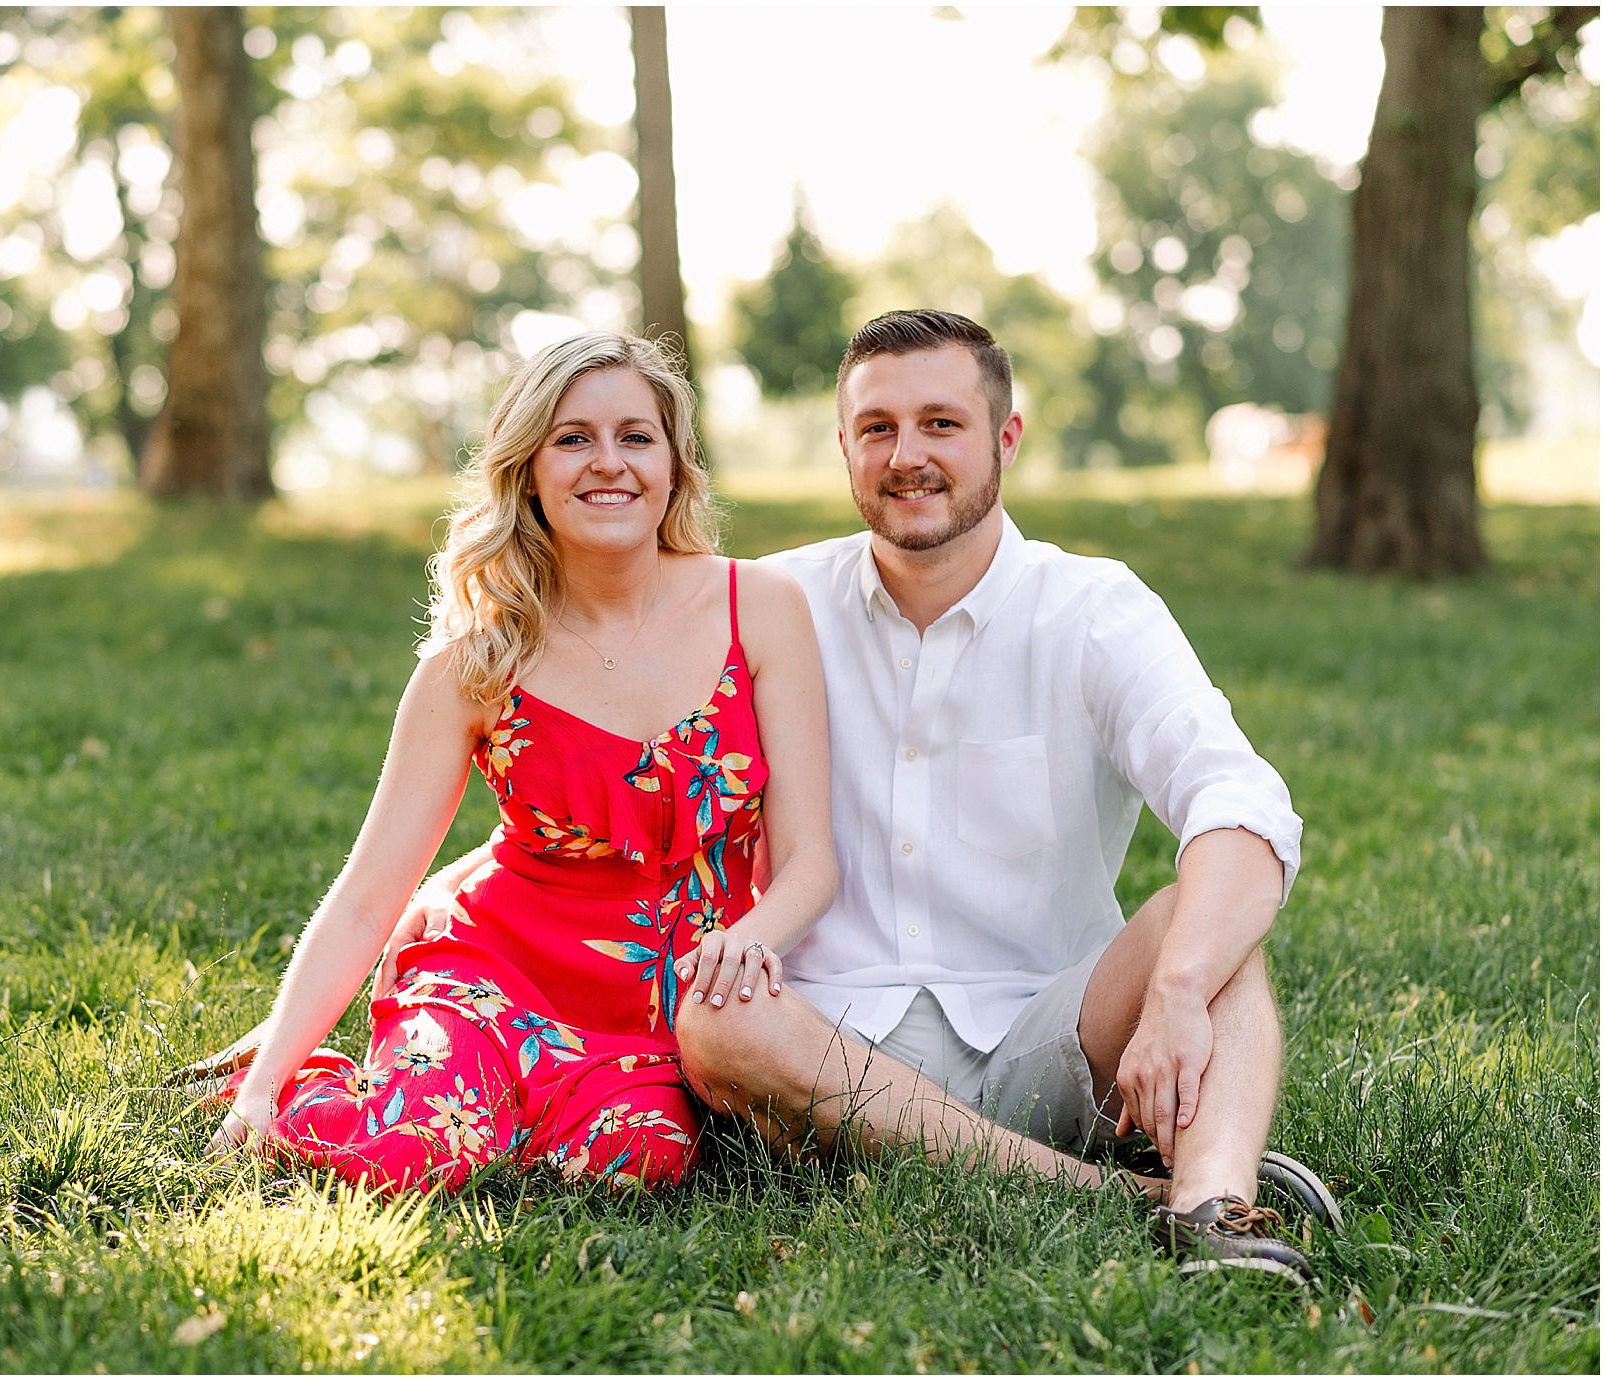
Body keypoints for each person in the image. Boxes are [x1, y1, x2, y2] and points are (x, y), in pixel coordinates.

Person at [396, 310, 1313, 1280]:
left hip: (1047, 1040)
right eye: (876, 428)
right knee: (711, 1014)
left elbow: (1240, 801)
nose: (905, 455)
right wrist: (434, 906)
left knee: (1213, 928)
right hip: (816, 1054)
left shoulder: (1092, 610)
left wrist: (1172, 988)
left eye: (940, 425)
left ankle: (1216, 1211)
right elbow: (620, 791)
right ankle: (1121, 1197)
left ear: (1005, 438)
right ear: (843, 445)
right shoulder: (764, 605)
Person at [196, 330, 839, 1194]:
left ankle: (482, 1114)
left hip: (657, 1019)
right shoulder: (478, 661)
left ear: (675, 466)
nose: (607, 462)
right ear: (528, 469)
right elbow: (364, 898)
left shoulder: (758, 608)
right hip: (492, 979)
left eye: (635, 437)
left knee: (639, 1165)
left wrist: (747, 942)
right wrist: (267, 1084)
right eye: (572, 438)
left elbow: (810, 863)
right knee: (410, 1158)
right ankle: (363, 1093)